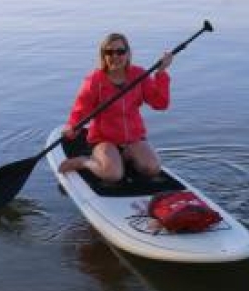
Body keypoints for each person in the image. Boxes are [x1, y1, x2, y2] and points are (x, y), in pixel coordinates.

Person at [59, 33, 173, 182]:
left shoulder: (139, 74)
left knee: (152, 169)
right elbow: (80, 109)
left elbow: (161, 104)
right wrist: (72, 127)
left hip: (134, 139)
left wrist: (161, 73)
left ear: (127, 53)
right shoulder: (95, 80)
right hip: (104, 140)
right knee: (113, 175)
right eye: (109, 52)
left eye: (120, 51)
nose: (115, 56)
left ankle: (124, 158)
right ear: (103, 55)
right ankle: (84, 161)